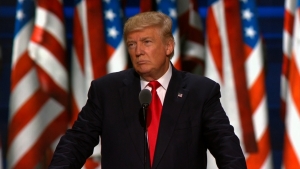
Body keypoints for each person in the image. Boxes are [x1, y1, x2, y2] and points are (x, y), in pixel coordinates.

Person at [49, 11, 246, 169]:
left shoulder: (200, 91)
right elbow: (77, 141)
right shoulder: (106, 91)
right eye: (132, 44)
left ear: (168, 46)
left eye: (147, 42)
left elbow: (225, 146)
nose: (138, 51)